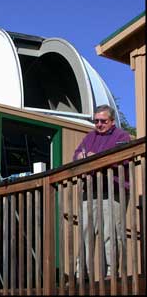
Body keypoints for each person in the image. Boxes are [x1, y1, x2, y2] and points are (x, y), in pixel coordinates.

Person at [73, 104, 131, 279]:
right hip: (90, 191)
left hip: (113, 191)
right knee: (85, 232)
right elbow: (76, 154)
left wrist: (95, 158)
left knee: (110, 233)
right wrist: (80, 157)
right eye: (96, 121)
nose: (99, 124)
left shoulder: (122, 135)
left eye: (103, 121)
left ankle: (110, 273)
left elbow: (122, 157)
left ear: (112, 121)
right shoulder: (89, 137)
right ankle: (81, 273)